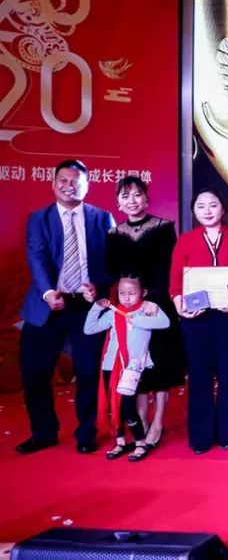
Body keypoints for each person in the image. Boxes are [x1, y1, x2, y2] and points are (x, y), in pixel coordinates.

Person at [17, 159, 115, 455]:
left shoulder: (103, 218)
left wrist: (98, 284)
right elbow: (36, 256)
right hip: (47, 304)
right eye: (63, 180)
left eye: (75, 181)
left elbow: (112, 263)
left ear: (87, 186)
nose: (69, 185)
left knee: (88, 372)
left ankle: (87, 433)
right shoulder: (39, 218)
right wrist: (48, 292)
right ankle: (44, 432)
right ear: (53, 184)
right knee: (35, 372)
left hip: (86, 306)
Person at [104, 175, 182, 449]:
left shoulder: (163, 227)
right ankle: (142, 420)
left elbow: (168, 268)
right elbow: (111, 272)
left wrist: (154, 300)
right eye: (125, 196)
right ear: (118, 203)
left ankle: (158, 422)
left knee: (159, 366)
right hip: (129, 310)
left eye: (137, 194)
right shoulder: (114, 234)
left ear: (146, 198)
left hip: (156, 306)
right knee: (135, 364)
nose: (132, 201)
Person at [170, 187, 228, 454]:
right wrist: (180, 307)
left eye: (213, 205)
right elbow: (175, 283)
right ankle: (201, 437)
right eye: (201, 206)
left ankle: (227, 432)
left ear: (223, 209)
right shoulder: (185, 240)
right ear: (194, 211)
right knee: (199, 377)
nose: (207, 211)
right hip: (196, 319)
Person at [85, 275, 168, 462]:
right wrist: (96, 307)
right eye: (122, 293)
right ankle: (120, 440)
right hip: (109, 365)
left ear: (143, 293)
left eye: (131, 293)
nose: (126, 297)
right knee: (113, 406)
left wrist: (138, 320)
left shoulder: (146, 310)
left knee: (128, 407)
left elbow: (165, 322)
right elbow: (89, 329)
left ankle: (140, 442)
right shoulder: (113, 313)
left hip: (131, 369)